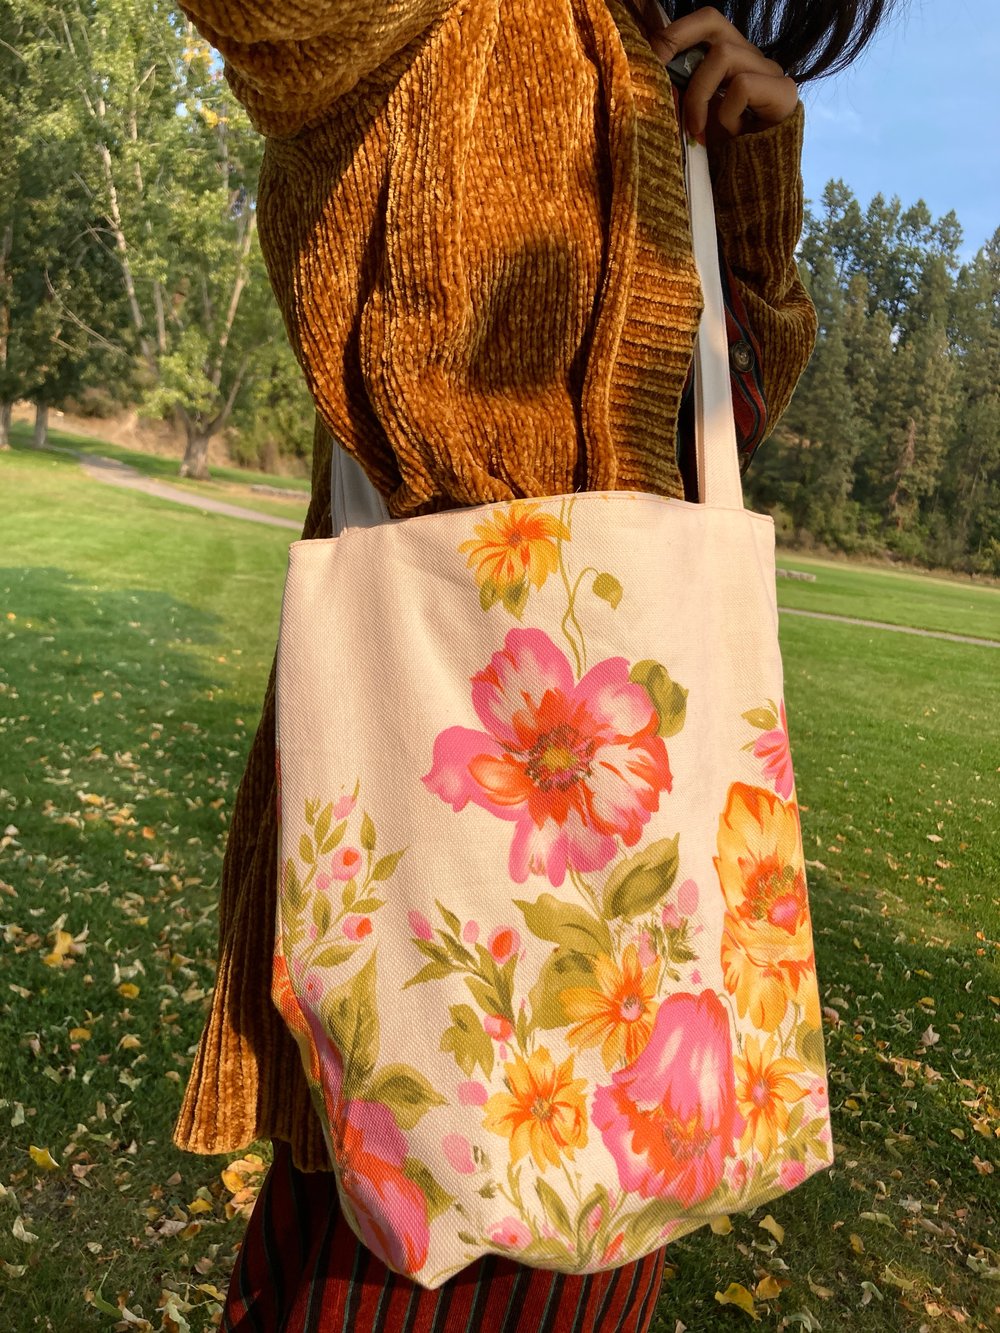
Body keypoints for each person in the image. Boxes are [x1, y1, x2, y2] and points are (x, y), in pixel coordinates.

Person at [171, 1, 899, 1328]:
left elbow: (698, 444)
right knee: (386, 1241)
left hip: (637, 984)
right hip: (461, 899)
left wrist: (745, 177)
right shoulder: (450, 27)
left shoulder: (650, 38)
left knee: (574, 1231)